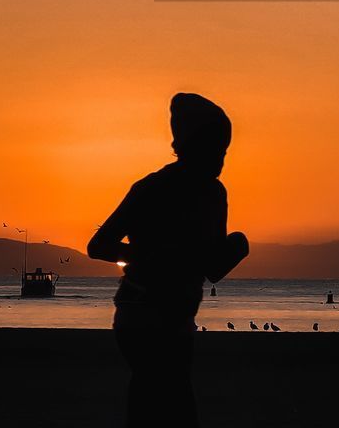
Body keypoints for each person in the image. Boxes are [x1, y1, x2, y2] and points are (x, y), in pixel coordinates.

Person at [88, 92, 249, 427]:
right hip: (143, 313)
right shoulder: (151, 189)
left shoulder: (214, 193)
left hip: (176, 317)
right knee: (168, 398)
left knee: (156, 398)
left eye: (224, 151)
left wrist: (236, 247)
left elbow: (211, 268)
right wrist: (152, 257)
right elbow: (99, 245)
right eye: (215, 149)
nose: (220, 159)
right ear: (189, 146)